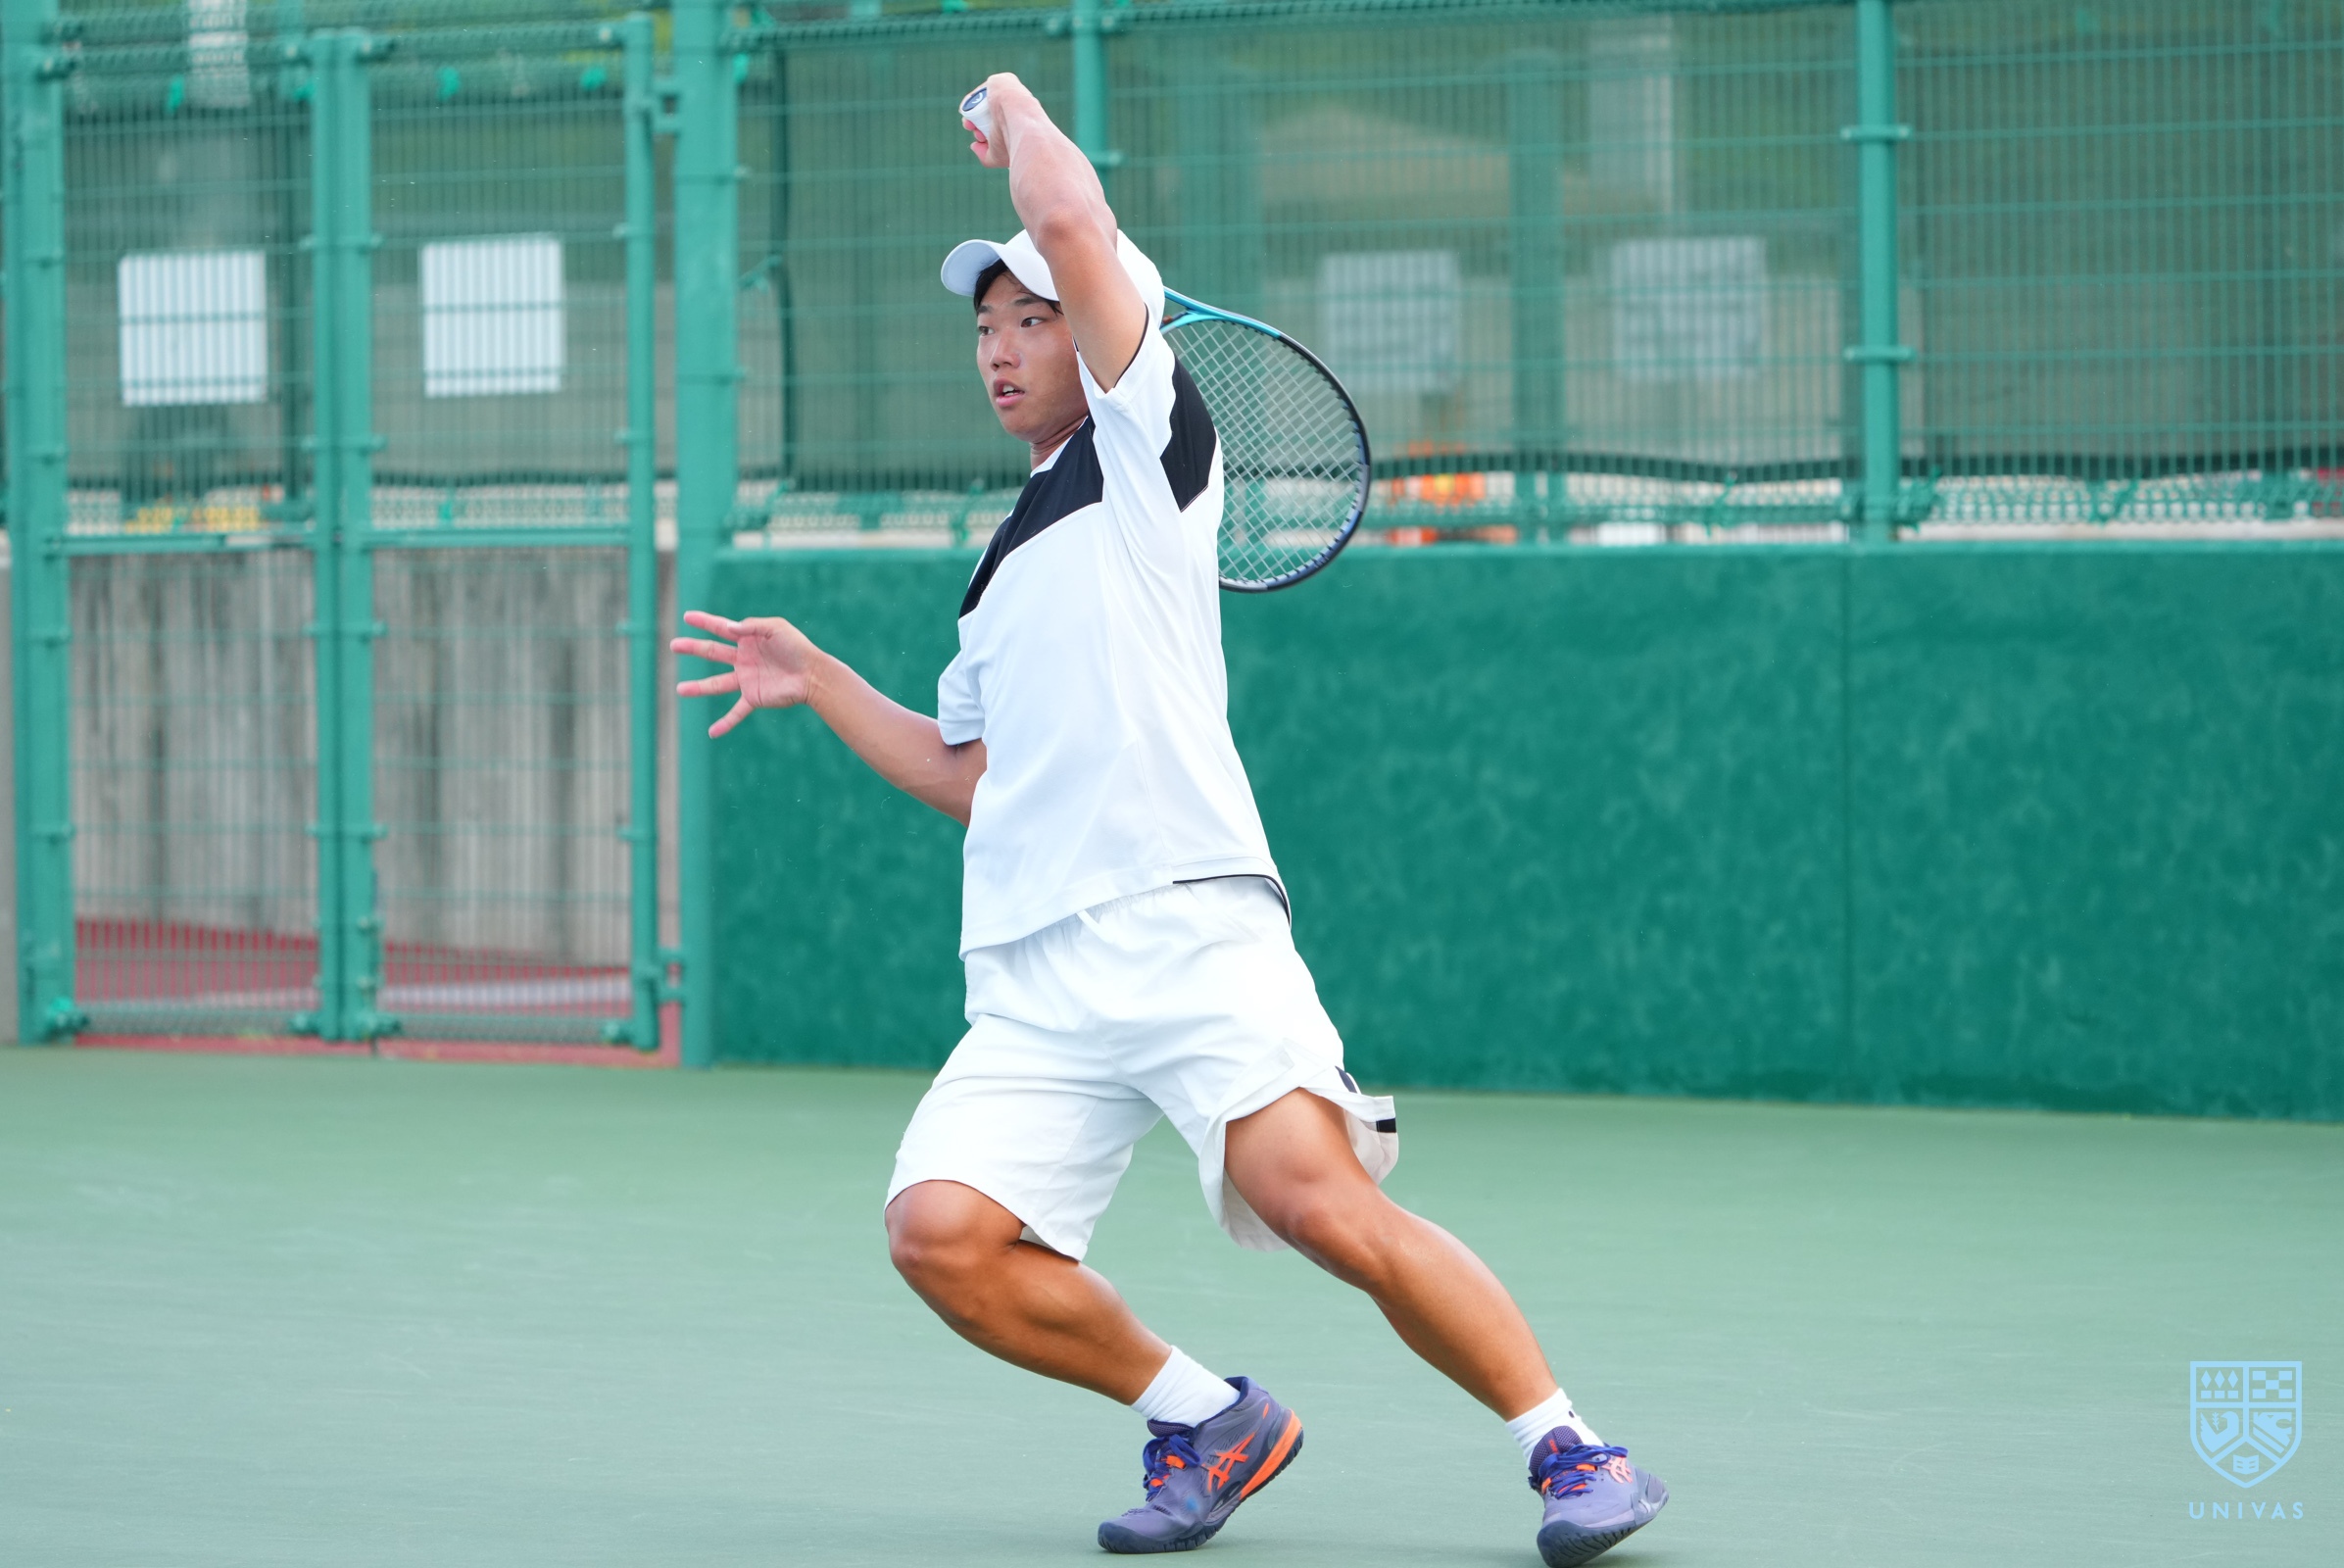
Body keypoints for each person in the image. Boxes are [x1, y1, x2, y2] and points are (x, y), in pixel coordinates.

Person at [669, 71, 1668, 1566]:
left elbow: (1074, 221)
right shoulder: (1000, 566)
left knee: (1312, 1199)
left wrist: (1018, 112)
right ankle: (1209, 1419)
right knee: (940, 1235)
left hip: (1190, 923)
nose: (1003, 347)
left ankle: (1570, 1447)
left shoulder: (1151, 448)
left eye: (1035, 317)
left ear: (1104, 327)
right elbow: (972, 775)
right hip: (1037, 973)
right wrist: (819, 680)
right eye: (988, 326)